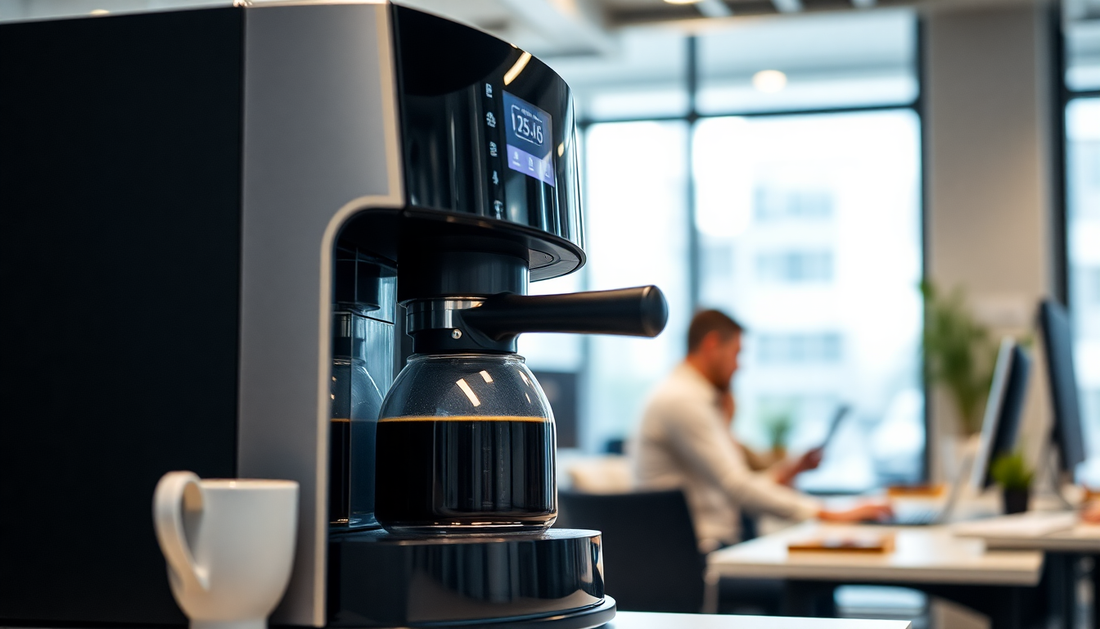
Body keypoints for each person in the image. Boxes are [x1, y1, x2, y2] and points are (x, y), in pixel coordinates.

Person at [632, 309, 891, 551]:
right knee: (808, 578)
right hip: (697, 556)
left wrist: (792, 471)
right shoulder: (682, 399)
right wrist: (828, 512)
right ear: (712, 345)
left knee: (811, 571)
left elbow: (737, 485)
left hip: (710, 548)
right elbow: (737, 487)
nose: (739, 365)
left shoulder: (692, 398)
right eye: (736, 353)